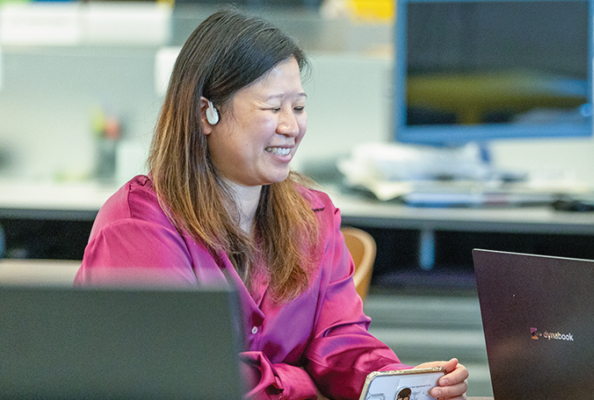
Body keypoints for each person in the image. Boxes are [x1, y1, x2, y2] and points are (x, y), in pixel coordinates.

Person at [74, 9, 468, 400]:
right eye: (272, 107)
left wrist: (405, 383)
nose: (291, 127)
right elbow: (187, 375)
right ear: (204, 113)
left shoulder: (313, 217)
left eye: (297, 107)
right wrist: (301, 382)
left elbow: (342, 344)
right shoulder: (139, 224)